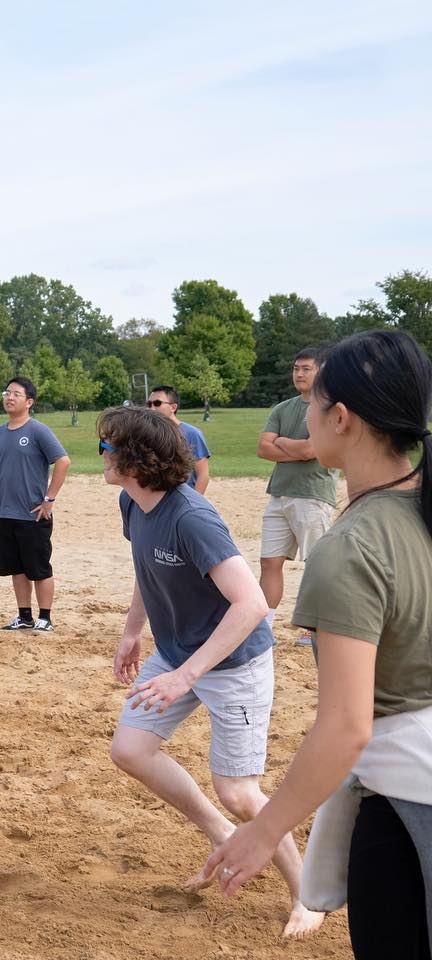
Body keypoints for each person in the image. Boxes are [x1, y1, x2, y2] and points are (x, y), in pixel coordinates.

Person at [204, 330, 432, 957]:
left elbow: (346, 725)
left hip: (408, 800)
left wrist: (263, 831)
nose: (304, 414)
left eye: (313, 403)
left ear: (341, 418)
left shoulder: (352, 547)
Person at [99, 405, 322, 939]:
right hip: (178, 654)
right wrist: (133, 631)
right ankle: (219, 831)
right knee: (130, 749)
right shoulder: (132, 502)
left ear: (136, 459)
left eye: (109, 446)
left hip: (234, 662)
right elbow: (144, 570)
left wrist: (186, 675)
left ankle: (307, 895)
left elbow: (250, 604)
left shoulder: (191, 516)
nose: (102, 455)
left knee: (240, 791)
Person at [257, 348, 337, 643]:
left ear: (321, 371)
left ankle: (315, 628)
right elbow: (263, 449)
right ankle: (263, 627)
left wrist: (280, 442)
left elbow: (311, 451)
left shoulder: (329, 408)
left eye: (306, 368)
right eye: (295, 369)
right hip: (279, 493)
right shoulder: (283, 408)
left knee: (315, 563)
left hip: (313, 495)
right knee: (269, 562)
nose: (299, 374)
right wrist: (294, 446)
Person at [0, 377, 71, 632]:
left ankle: (45, 617)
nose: (9, 397)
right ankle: (24, 616)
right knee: (16, 568)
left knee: (39, 568)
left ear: (29, 402)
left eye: (16, 394)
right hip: (5, 513)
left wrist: (49, 499)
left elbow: (63, 462)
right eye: (6, 392)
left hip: (33, 515)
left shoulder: (38, 431)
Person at [147, 385, 211, 494]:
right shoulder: (147, 434)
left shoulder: (192, 434)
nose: (151, 408)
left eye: (157, 403)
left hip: (182, 500)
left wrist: (194, 504)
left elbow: (203, 475)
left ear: (173, 407)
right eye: (149, 404)